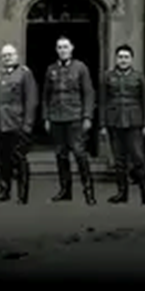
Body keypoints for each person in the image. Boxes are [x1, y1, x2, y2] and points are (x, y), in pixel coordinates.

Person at [99, 44, 145, 206]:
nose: (123, 60)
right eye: (120, 57)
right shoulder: (107, 77)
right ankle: (121, 193)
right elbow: (103, 101)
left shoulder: (139, 77)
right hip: (114, 122)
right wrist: (102, 125)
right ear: (116, 59)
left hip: (134, 122)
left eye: (126, 57)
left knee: (139, 159)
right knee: (119, 160)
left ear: (131, 59)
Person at [42, 35, 96, 205]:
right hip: (56, 117)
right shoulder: (51, 69)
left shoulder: (80, 68)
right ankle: (65, 190)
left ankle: (89, 191)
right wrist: (46, 117)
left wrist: (87, 116)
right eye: (59, 47)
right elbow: (46, 96)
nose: (62, 50)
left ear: (72, 48)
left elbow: (88, 93)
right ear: (56, 50)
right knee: (61, 155)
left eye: (65, 47)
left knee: (79, 153)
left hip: (75, 117)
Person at [0, 43, 38, 203]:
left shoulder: (24, 74)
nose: (7, 58)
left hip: (17, 123)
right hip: (0, 124)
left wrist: (28, 123)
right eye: (4, 55)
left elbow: (31, 100)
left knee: (19, 159)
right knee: (3, 160)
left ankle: (22, 194)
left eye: (10, 55)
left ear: (16, 56)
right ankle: (4, 191)